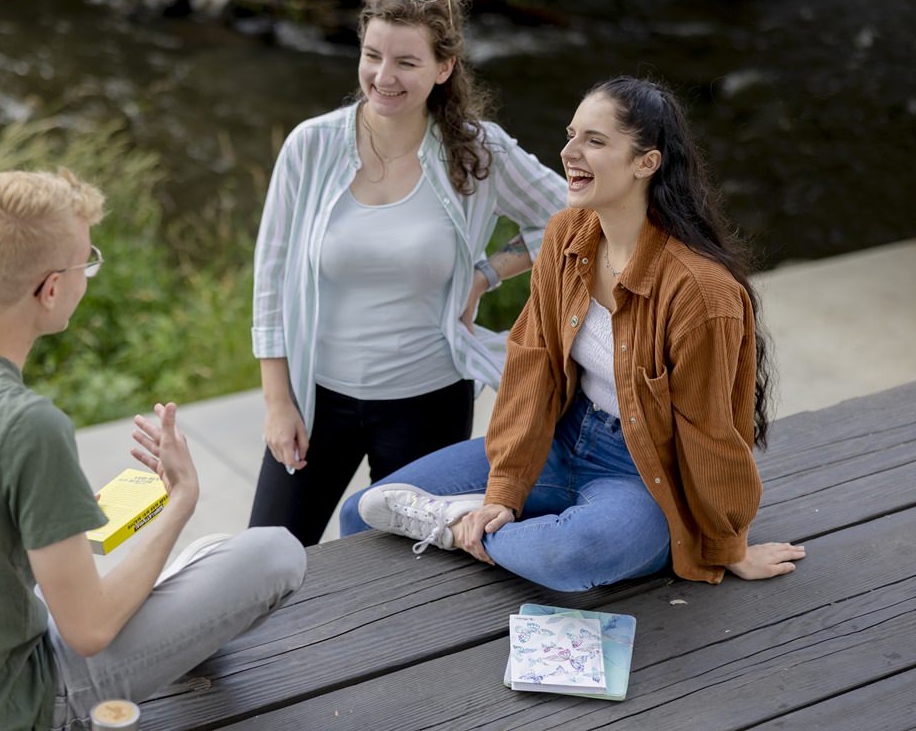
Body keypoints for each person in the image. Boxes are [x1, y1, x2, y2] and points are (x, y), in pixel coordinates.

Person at [0, 170, 306, 730]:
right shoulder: (27, 425)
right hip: (16, 708)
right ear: (51, 288)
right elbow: (89, 630)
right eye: (88, 263)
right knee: (273, 553)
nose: (89, 276)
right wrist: (182, 497)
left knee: (207, 552)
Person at [341, 76, 807, 590]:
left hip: (639, 473)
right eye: (571, 135)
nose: (569, 152)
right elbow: (532, 364)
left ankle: (453, 526)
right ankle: (484, 522)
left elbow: (712, 430)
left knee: (569, 556)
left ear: (646, 163)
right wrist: (504, 493)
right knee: (360, 513)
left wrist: (726, 546)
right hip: (561, 438)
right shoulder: (567, 235)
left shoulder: (700, 292)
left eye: (595, 141)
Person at [249, 0, 567, 546]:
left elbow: (572, 218)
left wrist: (488, 272)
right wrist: (278, 402)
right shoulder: (311, 146)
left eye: (406, 63)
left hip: (429, 403)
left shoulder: (477, 150)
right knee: (264, 557)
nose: (383, 77)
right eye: (372, 55)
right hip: (317, 400)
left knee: (409, 579)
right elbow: (270, 277)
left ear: (444, 68)